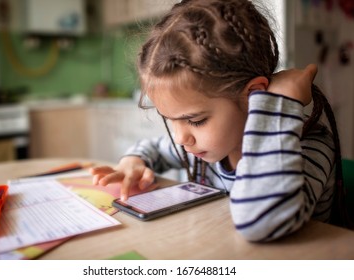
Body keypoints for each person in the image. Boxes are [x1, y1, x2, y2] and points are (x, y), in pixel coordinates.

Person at [91, 0, 350, 241]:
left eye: (195, 120)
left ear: (254, 96)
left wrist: (278, 104)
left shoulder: (305, 147)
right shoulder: (202, 152)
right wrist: (132, 163)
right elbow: (153, 148)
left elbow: (260, 222)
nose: (181, 138)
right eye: (171, 121)